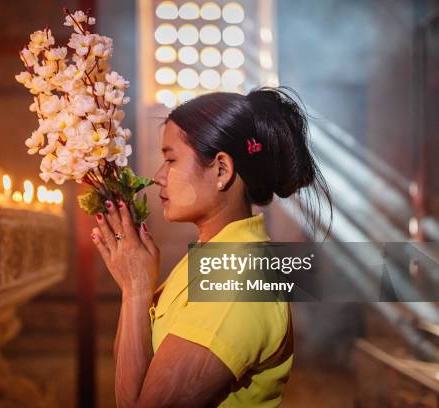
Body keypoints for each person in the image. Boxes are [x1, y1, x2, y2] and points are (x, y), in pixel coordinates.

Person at [90, 87, 332, 407]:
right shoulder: (214, 256)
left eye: (171, 159)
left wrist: (136, 289)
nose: (159, 176)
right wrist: (132, 288)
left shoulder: (238, 283)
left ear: (221, 170)